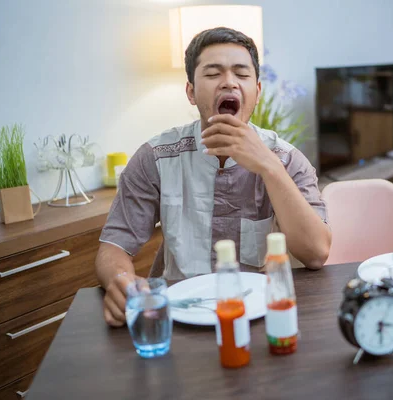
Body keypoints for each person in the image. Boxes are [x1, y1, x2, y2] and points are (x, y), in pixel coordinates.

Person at [95, 27, 332, 327]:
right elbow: (114, 245)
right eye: (213, 73)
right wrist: (122, 281)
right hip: (178, 317)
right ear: (191, 92)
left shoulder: (286, 159)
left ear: (257, 91)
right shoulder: (156, 157)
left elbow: (316, 253)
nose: (229, 82)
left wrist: (269, 167)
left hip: (258, 318)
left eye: (241, 74)